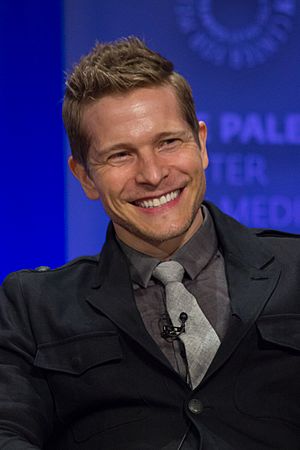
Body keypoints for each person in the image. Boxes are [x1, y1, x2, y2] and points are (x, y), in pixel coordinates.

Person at [0, 37, 299, 450]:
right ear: (85, 176)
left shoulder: (296, 269)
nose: (153, 174)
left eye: (168, 142)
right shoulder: (32, 307)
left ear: (201, 143)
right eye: (121, 155)